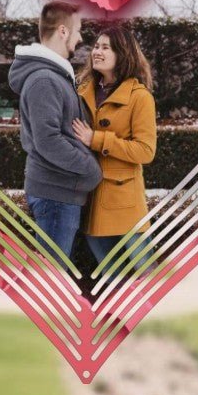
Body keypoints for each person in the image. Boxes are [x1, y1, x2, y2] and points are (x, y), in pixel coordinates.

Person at [7, 1, 102, 260]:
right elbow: (48, 140)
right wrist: (90, 167)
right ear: (63, 31)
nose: (81, 38)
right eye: (78, 30)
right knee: (53, 277)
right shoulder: (45, 80)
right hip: (56, 195)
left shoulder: (54, 76)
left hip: (60, 193)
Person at [73, 22, 157, 274]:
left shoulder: (139, 97)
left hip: (125, 204)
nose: (97, 52)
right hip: (89, 200)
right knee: (109, 277)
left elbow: (145, 151)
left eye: (106, 48)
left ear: (122, 54)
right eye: (96, 46)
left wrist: (97, 140)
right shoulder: (81, 91)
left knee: (147, 274)